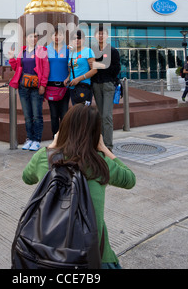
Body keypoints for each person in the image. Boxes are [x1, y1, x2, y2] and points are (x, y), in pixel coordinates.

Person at [22, 104, 136, 269]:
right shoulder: (99, 162)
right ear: (96, 134)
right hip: (93, 255)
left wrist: (52, 147)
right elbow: (130, 179)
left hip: (49, 252)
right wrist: (104, 149)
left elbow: (26, 177)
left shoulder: (44, 157)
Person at [8, 28, 49, 151]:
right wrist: (12, 58)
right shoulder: (23, 52)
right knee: (27, 115)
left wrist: (43, 85)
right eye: (31, 36)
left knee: (37, 115)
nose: (34, 38)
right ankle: (29, 139)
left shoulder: (42, 51)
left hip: (36, 87)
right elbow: (17, 68)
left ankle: (36, 140)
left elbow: (46, 69)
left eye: (36, 36)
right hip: (23, 87)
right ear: (27, 38)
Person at [91, 27, 121, 151]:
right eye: (99, 34)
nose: (101, 36)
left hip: (108, 85)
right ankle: (100, 143)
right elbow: (90, 66)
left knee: (107, 116)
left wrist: (99, 65)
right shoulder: (92, 51)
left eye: (103, 34)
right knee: (100, 115)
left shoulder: (113, 51)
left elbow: (116, 68)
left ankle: (108, 146)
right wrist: (104, 65)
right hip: (96, 85)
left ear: (107, 36)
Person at [46, 25, 70, 137]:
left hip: (64, 86)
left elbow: (73, 67)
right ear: (51, 36)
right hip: (50, 86)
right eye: (54, 35)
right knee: (54, 115)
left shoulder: (68, 49)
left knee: (64, 115)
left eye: (59, 35)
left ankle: (64, 138)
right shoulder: (46, 49)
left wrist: (68, 77)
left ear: (63, 36)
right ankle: (55, 138)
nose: (57, 37)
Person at [66, 29, 97, 105]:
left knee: (84, 113)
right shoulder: (71, 53)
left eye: (79, 38)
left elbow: (94, 70)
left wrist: (79, 79)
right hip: (73, 88)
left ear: (83, 40)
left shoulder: (88, 51)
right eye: (74, 38)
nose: (76, 40)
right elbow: (73, 69)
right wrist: (67, 78)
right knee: (76, 113)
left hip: (84, 86)